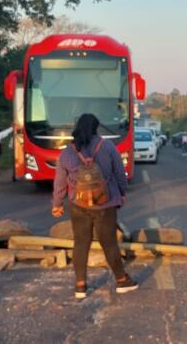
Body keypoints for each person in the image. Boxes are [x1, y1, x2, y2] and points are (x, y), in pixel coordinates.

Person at [52, 114, 138, 299]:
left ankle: (80, 285)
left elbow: (60, 181)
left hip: (78, 204)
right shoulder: (107, 146)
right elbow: (119, 173)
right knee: (109, 243)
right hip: (105, 204)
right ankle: (122, 281)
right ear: (96, 128)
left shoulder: (67, 151)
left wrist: (57, 204)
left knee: (81, 243)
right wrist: (122, 193)